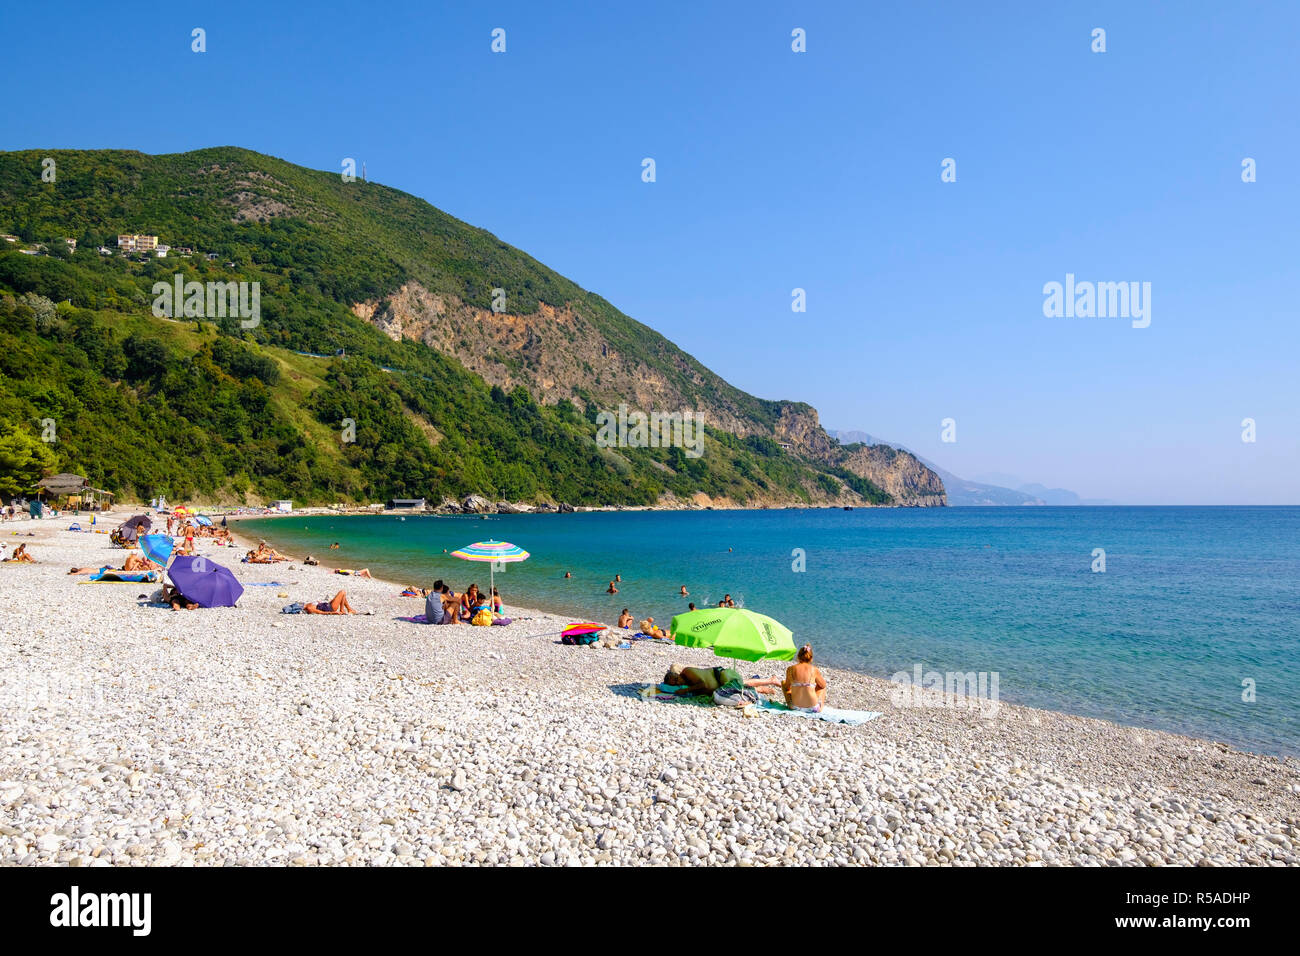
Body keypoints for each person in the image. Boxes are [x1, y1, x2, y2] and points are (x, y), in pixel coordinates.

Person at [661, 664, 782, 697]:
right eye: (675, 684)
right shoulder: (687, 681)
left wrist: (685, 690)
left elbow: (703, 684)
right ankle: (769, 681)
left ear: (678, 674)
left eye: (676, 679)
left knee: (740, 686)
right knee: (742, 684)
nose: (679, 683)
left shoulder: (687, 671)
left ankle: (767, 683)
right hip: (721, 683)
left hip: (723, 675)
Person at [783, 644, 827, 712]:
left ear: (798, 656)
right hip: (813, 708)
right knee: (822, 686)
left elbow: (787, 687)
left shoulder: (790, 669)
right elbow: (823, 685)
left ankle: (795, 701)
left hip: (794, 706)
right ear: (811, 658)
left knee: (783, 683)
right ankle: (820, 707)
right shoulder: (814, 669)